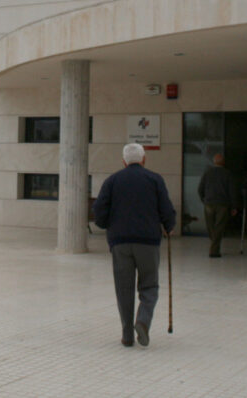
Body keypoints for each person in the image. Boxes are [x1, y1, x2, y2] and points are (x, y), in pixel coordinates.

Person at [93, 143, 177, 348]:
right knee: (150, 285)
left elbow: (99, 211)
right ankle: (143, 320)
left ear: (123, 161)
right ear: (144, 159)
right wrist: (169, 225)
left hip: (120, 242)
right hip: (148, 241)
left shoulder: (112, 180)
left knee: (124, 289)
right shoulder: (155, 179)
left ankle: (127, 336)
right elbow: (166, 208)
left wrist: (107, 225)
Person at [197, 153, 240, 258]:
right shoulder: (228, 174)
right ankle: (214, 250)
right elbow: (232, 191)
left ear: (214, 162)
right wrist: (234, 206)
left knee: (211, 227)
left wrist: (204, 199)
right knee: (219, 227)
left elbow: (200, 189)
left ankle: (214, 248)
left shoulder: (207, 173)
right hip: (223, 204)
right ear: (223, 162)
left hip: (209, 203)